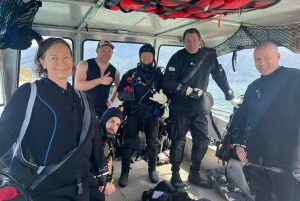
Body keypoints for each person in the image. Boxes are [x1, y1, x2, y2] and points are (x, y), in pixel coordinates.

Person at [0, 38, 108, 201]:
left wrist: (101, 169)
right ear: (42, 62)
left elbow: (94, 136)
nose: (61, 62)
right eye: (54, 58)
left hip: (80, 185)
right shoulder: (29, 93)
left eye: (66, 57)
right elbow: (5, 131)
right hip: (43, 187)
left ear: (72, 61)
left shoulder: (84, 99)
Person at [162, 28, 240, 189]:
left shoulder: (208, 58)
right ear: (184, 42)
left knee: (203, 141)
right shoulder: (177, 57)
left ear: (200, 40)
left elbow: (220, 77)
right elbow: (167, 81)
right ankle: (175, 173)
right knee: (177, 142)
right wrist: (186, 90)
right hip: (179, 108)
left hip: (199, 108)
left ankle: (194, 173)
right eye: (188, 40)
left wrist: (229, 96)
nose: (191, 43)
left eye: (194, 40)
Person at [235, 42, 300, 201]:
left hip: (286, 163)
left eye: (266, 57)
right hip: (256, 159)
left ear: (278, 57)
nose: (262, 63)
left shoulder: (294, 78)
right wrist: (239, 143)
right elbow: (242, 116)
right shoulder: (253, 87)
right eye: (257, 59)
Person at [117, 44, 168, 187]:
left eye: (149, 56)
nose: (146, 58)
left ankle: (152, 169)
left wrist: (164, 99)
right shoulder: (131, 74)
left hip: (152, 115)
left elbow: (168, 92)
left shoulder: (159, 76)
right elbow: (119, 93)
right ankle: (124, 173)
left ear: (153, 57)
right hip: (134, 113)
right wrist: (127, 95)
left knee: (152, 143)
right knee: (128, 143)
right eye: (144, 55)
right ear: (140, 57)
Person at [75, 40, 120, 119]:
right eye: (103, 50)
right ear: (97, 51)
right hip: (83, 108)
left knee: (100, 130)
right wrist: (100, 80)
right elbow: (78, 86)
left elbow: (118, 87)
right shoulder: (84, 64)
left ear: (112, 53)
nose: (106, 53)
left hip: (102, 110)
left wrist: (112, 100)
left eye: (109, 51)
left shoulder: (115, 71)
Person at [89, 107, 123, 201]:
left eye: (117, 124)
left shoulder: (107, 138)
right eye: (111, 121)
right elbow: (80, 172)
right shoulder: (91, 138)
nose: (113, 127)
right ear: (104, 120)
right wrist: (104, 185)